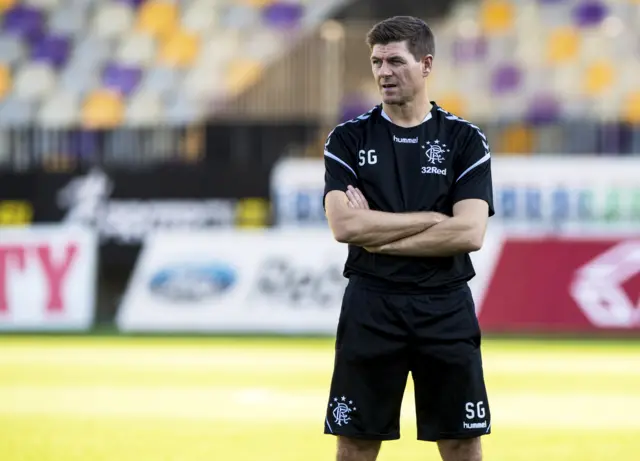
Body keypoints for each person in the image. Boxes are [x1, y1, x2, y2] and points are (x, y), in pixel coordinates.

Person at [322, 16, 494, 461]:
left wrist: (377, 236)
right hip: (371, 304)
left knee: (460, 440)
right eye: (377, 61)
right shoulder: (347, 139)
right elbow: (344, 227)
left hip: (445, 304)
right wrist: (432, 219)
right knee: (357, 441)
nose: (383, 72)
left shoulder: (463, 141)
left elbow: (470, 232)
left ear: (426, 64)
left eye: (395, 61)